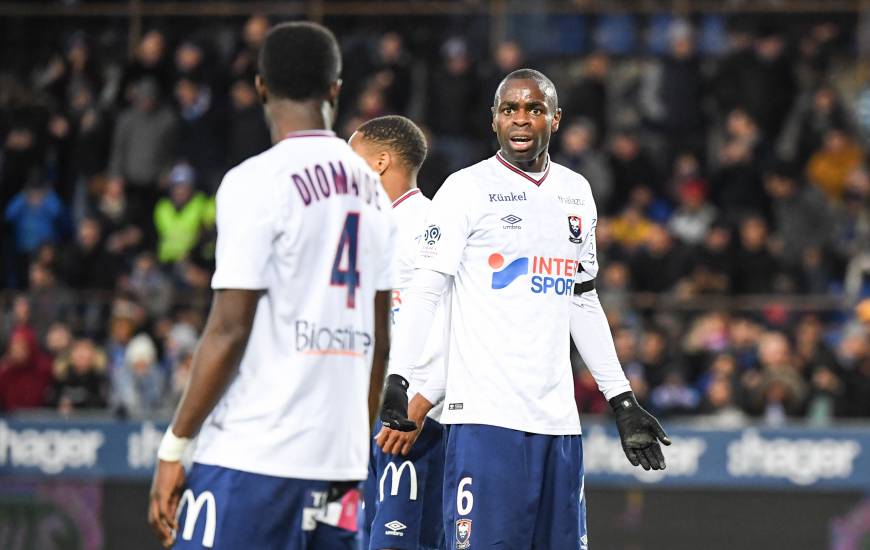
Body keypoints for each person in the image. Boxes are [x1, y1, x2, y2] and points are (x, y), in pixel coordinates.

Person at [377, 69, 670, 549]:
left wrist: (621, 400)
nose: (521, 119)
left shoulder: (576, 192)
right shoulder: (465, 189)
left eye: (534, 109)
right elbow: (428, 291)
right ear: (493, 119)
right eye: (509, 109)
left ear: (555, 119)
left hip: (559, 426)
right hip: (486, 424)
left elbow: (582, 297)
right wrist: (399, 378)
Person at [147, 22, 396, 550]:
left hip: (255, 454)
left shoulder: (254, 180)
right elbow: (380, 338)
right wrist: (354, 444)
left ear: (260, 85)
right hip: (339, 460)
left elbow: (228, 329)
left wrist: (175, 445)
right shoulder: (374, 192)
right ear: (336, 88)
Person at [349, 116, 447, 550]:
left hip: (415, 422)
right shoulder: (374, 229)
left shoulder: (428, 225)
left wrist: (421, 401)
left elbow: (455, 323)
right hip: (375, 417)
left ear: (381, 162)